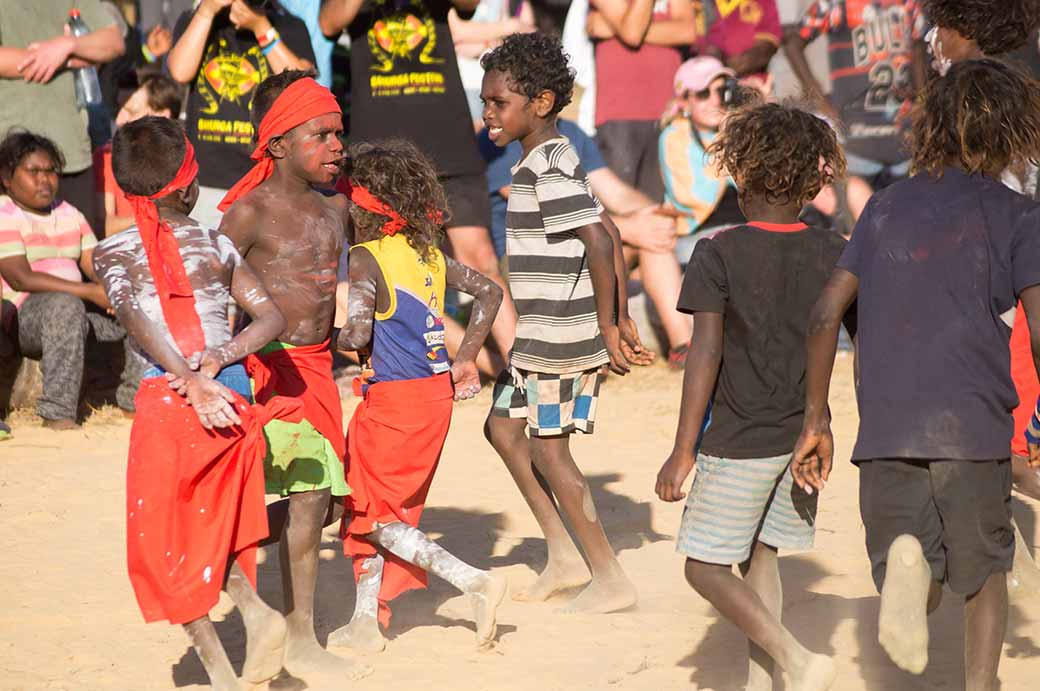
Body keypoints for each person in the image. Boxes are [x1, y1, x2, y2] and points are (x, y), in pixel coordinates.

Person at [792, 59, 1040, 686]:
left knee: (908, 568)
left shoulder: (883, 205)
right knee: (984, 570)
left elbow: (824, 314)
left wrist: (816, 418)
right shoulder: (1018, 216)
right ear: (1009, 132)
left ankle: (910, 563)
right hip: (973, 426)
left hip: (886, 428)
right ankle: (981, 683)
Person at [92, 115, 292, 691]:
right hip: (231, 390)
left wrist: (189, 378)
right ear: (186, 186)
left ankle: (223, 671)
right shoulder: (217, 242)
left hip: (171, 393)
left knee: (162, 546)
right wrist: (218, 360)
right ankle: (255, 615)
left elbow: (135, 316)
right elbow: (271, 317)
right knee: (210, 529)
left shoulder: (113, 253)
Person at [655, 102, 850, 691]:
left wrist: (683, 450)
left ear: (738, 175)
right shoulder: (834, 250)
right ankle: (778, 681)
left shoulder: (718, 251)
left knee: (705, 565)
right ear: (816, 184)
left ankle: (796, 658)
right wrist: (830, 425)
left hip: (737, 440)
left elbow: (704, 355)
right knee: (762, 557)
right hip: (802, 437)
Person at [481, 33, 650, 614]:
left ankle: (609, 576)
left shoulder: (545, 171)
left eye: (499, 104)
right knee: (502, 430)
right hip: (537, 337)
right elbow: (608, 231)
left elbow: (600, 242)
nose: (488, 116)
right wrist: (621, 314)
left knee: (550, 451)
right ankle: (563, 552)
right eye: (485, 103)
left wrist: (609, 326)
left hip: (558, 335)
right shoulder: (551, 157)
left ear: (543, 103)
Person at [217, 70, 365, 684]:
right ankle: (295, 633)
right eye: (321, 135)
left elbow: (356, 280)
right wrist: (218, 374)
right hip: (260, 371)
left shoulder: (340, 207)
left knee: (321, 504)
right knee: (303, 499)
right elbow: (214, 297)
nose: (338, 146)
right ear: (277, 144)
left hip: (317, 373)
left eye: (339, 133)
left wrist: (366, 337)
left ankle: (255, 581)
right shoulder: (245, 213)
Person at [331, 139, 507, 652]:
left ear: (363, 206)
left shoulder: (365, 258)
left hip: (395, 402)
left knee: (374, 512)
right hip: (434, 398)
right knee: (385, 506)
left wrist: (318, 327)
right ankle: (367, 620)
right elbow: (491, 292)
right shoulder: (427, 253)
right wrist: (466, 356)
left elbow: (358, 333)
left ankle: (475, 581)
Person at [918, 0, 1040, 594]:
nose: (929, 40)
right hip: (1005, 294)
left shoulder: (986, 102)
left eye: (938, 28)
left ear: (965, 28)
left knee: (1011, 445)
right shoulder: (1003, 85)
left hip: (1007, 301)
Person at [319, 0, 519, 363]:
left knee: (481, 259)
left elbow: (469, 5)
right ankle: (477, 366)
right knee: (390, 272)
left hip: (448, 143)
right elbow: (330, 23)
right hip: (380, 158)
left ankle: (522, 370)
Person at [479, 118, 686, 365]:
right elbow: (543, 206)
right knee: (637, 235)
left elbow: (615, 192)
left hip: (581, 241)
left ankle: (683, 347)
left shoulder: (569, 131)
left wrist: (653, 215)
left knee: (654, 238)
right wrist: (631, 227)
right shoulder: (500, 138)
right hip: (529, 258)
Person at [0, 132, 137, 429]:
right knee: (64, 306)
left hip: (77, 313)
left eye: (51, 171)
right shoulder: (4, 213)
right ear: (7, 178)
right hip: (23, 319)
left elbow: (94, 263)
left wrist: (112, 290)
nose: (44, 180)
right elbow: (19, 277)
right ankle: (57, 413)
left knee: (135, 301)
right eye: (33, 172)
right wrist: (88, 291)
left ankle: (131, 403)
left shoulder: (70, 213)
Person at [167, 0, 315, 230]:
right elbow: (179, 71)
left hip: (263, 181)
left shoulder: (288, 25)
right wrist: (207, 11)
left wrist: (261, 28)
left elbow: (301, 87)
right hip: (205, 182)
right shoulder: (198, 21)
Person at [0, 0, 126, 233]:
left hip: (70, 153)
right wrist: (67, 57)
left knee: (78, 257)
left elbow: (113, 42)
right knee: (16, 262)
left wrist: (67, 45)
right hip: (10, 159)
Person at [783, 0, 925, 188]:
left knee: (906, 213)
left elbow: (918, 47)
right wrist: (818, 97)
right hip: (857, 136)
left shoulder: (909, 4)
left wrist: (923, 99)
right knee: (859, 211)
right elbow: (792, 43)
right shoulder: (836, 4)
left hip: (903, 136)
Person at [585, 0, 697, 205]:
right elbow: (632, 35)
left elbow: (687, 31)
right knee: (617, 211)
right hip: (619, 113)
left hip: (668, 113)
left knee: (657, 208)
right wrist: (630, 30)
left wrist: (619, 27)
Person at [95, 74, 183, 237]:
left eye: (131, 111)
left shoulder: (182, 159)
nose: (120, 119)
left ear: (161, 116)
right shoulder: (107, 156)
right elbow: (104, 227)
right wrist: (156, 216)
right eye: (118, 108)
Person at [450, 0, 536, 128]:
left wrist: (483, 41)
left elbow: (528, 31)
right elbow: (456, 32)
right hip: (463, 80)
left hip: (501, 82)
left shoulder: (514, 3)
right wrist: (510, 26)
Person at [694, 0, 782, 86]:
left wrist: (727, 68)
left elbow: (769, 42)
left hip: (751, 84)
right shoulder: (697, 3)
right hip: (704, 87)